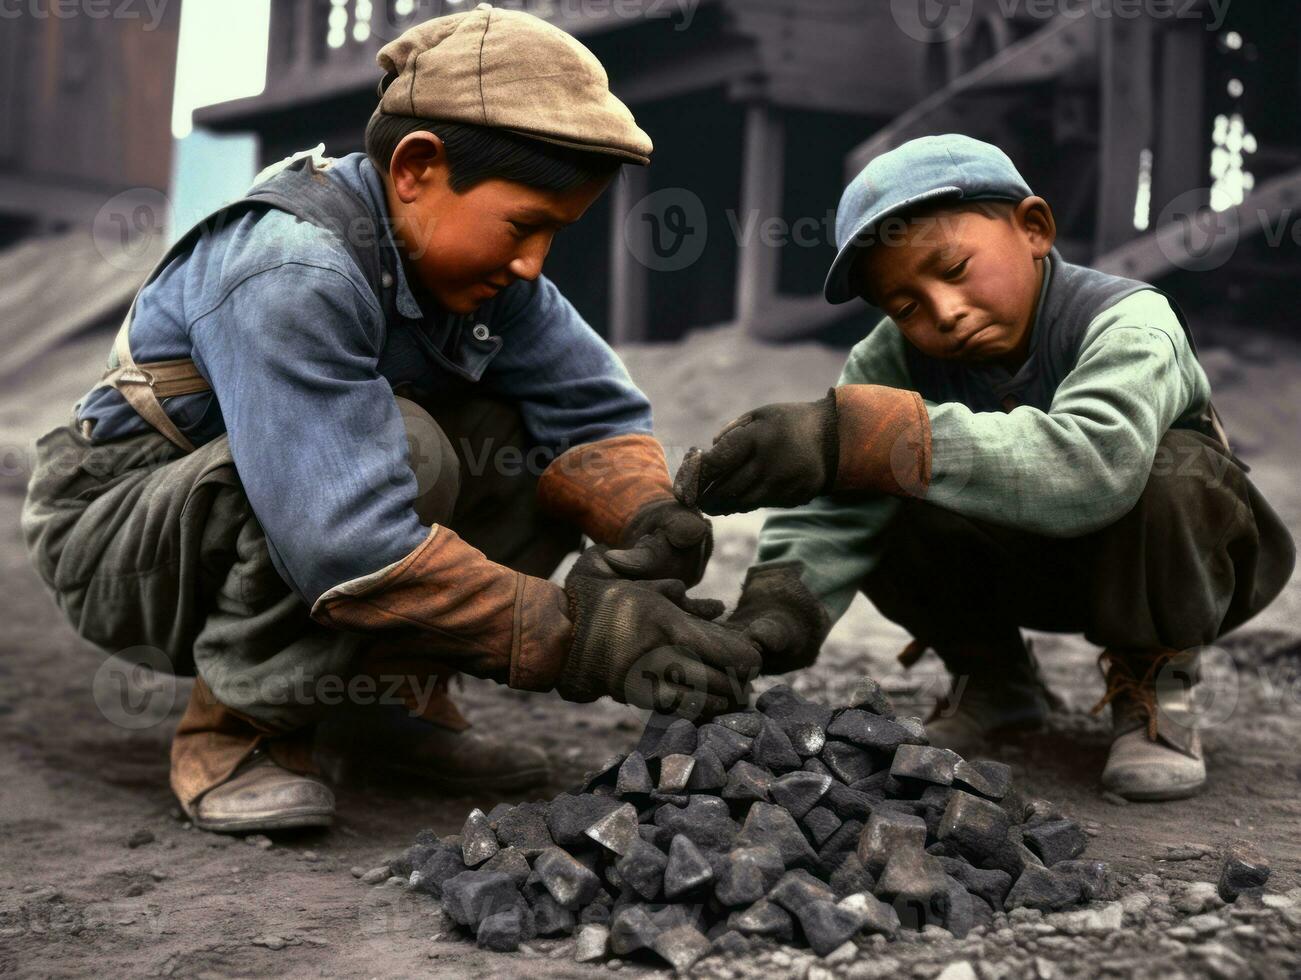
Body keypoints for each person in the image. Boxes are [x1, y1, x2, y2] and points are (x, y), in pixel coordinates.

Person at [22, 4, 757, 834]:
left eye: (556, 233)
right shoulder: (292, 268)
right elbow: (346, 539)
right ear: (415, 167)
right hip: (114, 538)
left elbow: (593, 413)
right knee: (399, 447)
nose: (533, 263)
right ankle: (240, 729)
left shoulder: (490, 280)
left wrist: (653, 525)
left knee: (525, 452)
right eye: (525, 226)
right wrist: (585, 638)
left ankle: (381, 703)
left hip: (259, 516)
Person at [683, 133, 1294, 801]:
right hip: (1024, 567)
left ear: (1033, 228)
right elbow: (838, 511)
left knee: (1170, 471)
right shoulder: (889, 359)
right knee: (878, 477)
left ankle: (1154, 684)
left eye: (952, 270)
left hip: (1169, 568)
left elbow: (1091, 466)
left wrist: (859, 434)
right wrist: (770, 620)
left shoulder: (1126, 322)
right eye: (906, 306)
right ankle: (997, 678)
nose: (942, 313)